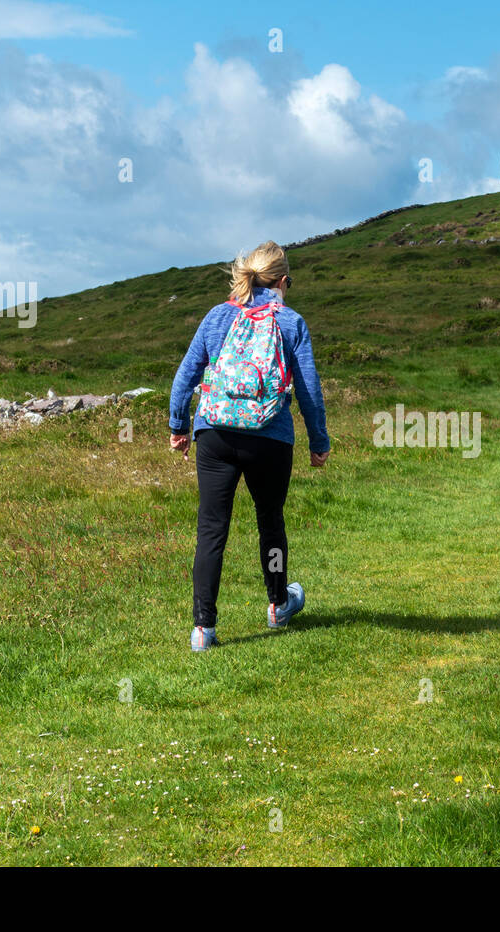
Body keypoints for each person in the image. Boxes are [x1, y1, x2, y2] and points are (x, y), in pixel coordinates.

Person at [169, 240, 330, 650]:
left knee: (211, 530)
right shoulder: (291, 322)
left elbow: (185, 376)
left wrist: (179, 426)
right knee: (270, 522)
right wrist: (318, 441)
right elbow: (309, 389)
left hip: (215, 434)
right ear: (283, 281)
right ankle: (278, 603)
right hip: (270, 439)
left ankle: (203, 629)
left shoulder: (218, 316)